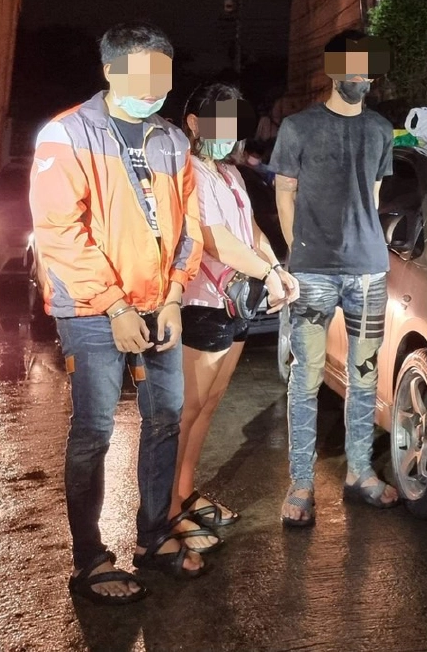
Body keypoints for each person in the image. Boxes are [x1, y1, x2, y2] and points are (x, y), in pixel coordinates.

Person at [29, 22, 208, 606]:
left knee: (166, 418)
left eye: (163, 74)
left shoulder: (172, 141)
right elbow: (59, 232)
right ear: (109, 71)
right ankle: (89, 559)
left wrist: (176, 294)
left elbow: (188, 228)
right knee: (95, 431)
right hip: (90, 309)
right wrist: (113, 306)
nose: (153, 86)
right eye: (140, 73)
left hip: (160, 303)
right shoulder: (67, 134)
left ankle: (152, 532)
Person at [271, 29, 399, 526]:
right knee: (305, 379)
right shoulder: (298, 127)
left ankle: (360, 472)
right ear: (332, 70)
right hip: (314, 271)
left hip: (368, 271)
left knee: (364, 377)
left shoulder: (381, 130)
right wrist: (296, 256)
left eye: (369, 68)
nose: (361, 77)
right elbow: (285, 192)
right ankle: (301, 484)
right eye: (353, 67)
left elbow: (374, 194)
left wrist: (365, 241)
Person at [170, 84, 300, 543]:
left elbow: (252, 231)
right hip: (201, 303)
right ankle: (168, 509)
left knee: (209, 405)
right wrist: (266, 273)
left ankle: (185, 491)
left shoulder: (230, 174)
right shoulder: (188, 171)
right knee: (185, 410)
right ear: (193, 123)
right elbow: (213, 237)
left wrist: (276, 271)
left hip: (236, 303)